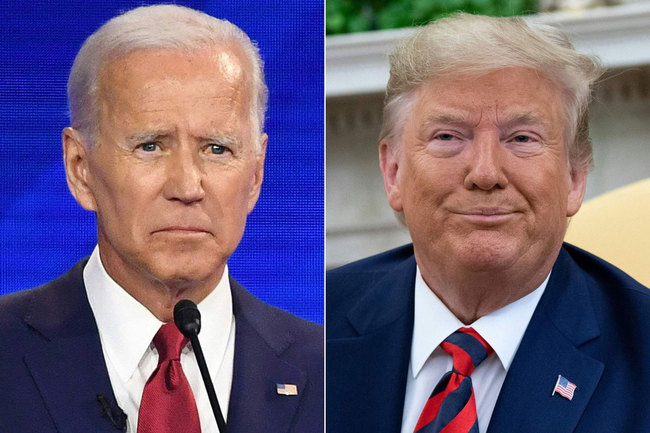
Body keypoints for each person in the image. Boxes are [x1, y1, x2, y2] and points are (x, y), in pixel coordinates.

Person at [0, 5, 322, 432]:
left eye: (217, 149)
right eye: (151, 146)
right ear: (80, 168)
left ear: (256, 175)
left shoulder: (324, 367)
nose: (187, 187)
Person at [327, 13, 650, 433]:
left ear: (574, 177)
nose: (485, 172)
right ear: (393, 172)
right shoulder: (314, 327)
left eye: (521, 138)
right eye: (448, 136)